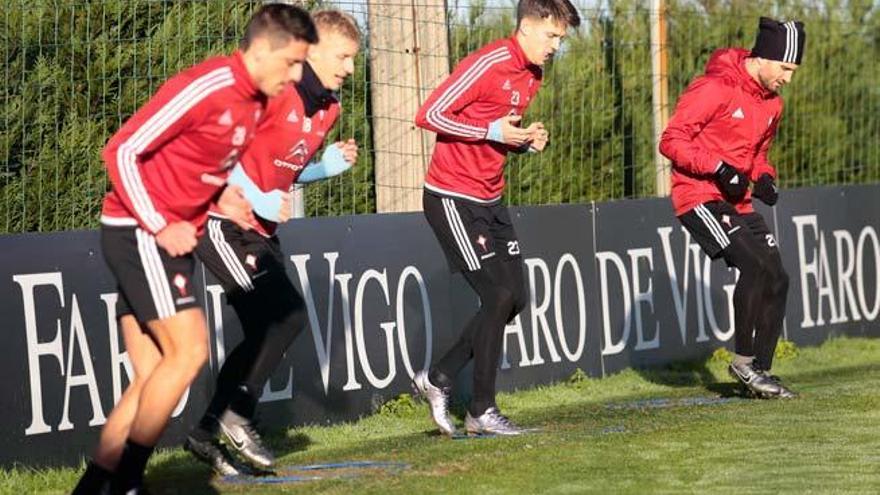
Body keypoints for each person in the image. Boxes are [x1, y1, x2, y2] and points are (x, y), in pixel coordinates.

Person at [72, 5, 317, 494]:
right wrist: (162, 222)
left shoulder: (258, 104)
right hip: (139, 230)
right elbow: (121, 150)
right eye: (292, 63)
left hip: (167, 233)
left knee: (149, 378)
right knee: (188, 353)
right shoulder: (206, 85)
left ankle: (93, 488)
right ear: (263, 49)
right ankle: (128, 483)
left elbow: (201, 162)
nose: (295, 76)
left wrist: (224, 195)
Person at [183, 9, 360, 474]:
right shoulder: (273, 92)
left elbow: (284, 170)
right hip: (220, 221)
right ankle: (237, 418)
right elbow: (221, 155)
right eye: (343, 56)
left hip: (259, 230)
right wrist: (258, 197)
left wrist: (325, 169)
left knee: (271, 327)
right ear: (313, 49)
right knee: (285, 318)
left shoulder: (329, 109)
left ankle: (205, 434)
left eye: (353, 59)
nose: (350, 68)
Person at [412, 0, 580, 436]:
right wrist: (493, 132)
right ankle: (480, 410)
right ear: (527, 26)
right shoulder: (489, 61)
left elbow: (498, 130)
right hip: (452, 198)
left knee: (516, 299)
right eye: (552, 36)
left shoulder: (533, 75)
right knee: (497, 296)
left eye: (561, 38)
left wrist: (522, 140)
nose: (556, 46)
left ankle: (440, 377)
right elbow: (428, 114)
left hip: (491, 200)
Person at [659, 17, 805, 399]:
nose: (788, 78)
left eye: (793, 71)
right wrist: (718, 167)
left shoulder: (773, 104)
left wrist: (766, 176)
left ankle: (761, 372)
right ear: (765, 58)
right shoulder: (714, 88)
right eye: (786, 68)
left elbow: (758, 156)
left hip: (737, 202)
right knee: (754, 266)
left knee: (778, 277)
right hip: (700, 196)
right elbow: (671, 140)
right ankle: (742, 363)